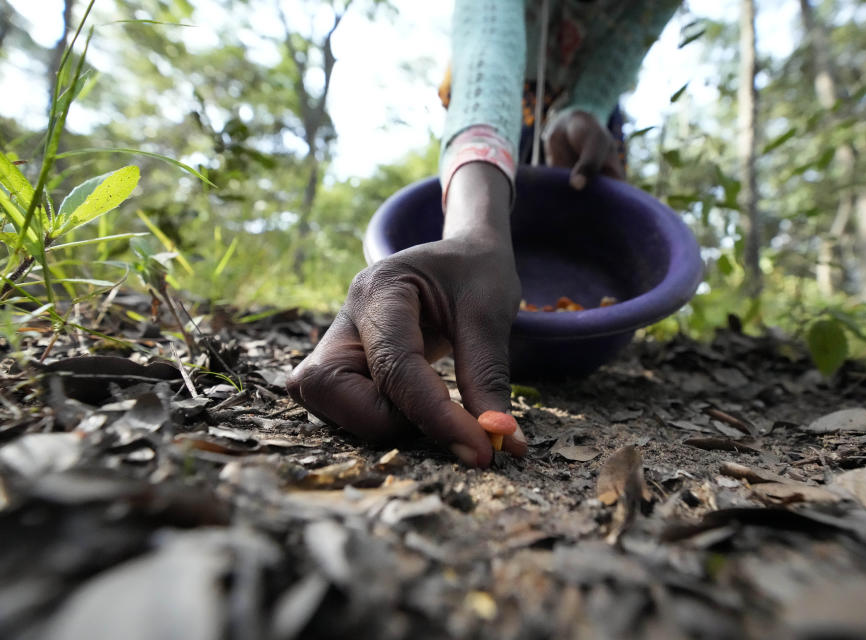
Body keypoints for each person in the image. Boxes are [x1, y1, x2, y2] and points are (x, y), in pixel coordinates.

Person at [286, 0, 680, 468]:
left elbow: (629, 36)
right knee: (486, 191)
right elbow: (488, 38)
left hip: (587, 113)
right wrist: (476, 232)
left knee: (582, 183)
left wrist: (586, 107)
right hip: (488, 96)